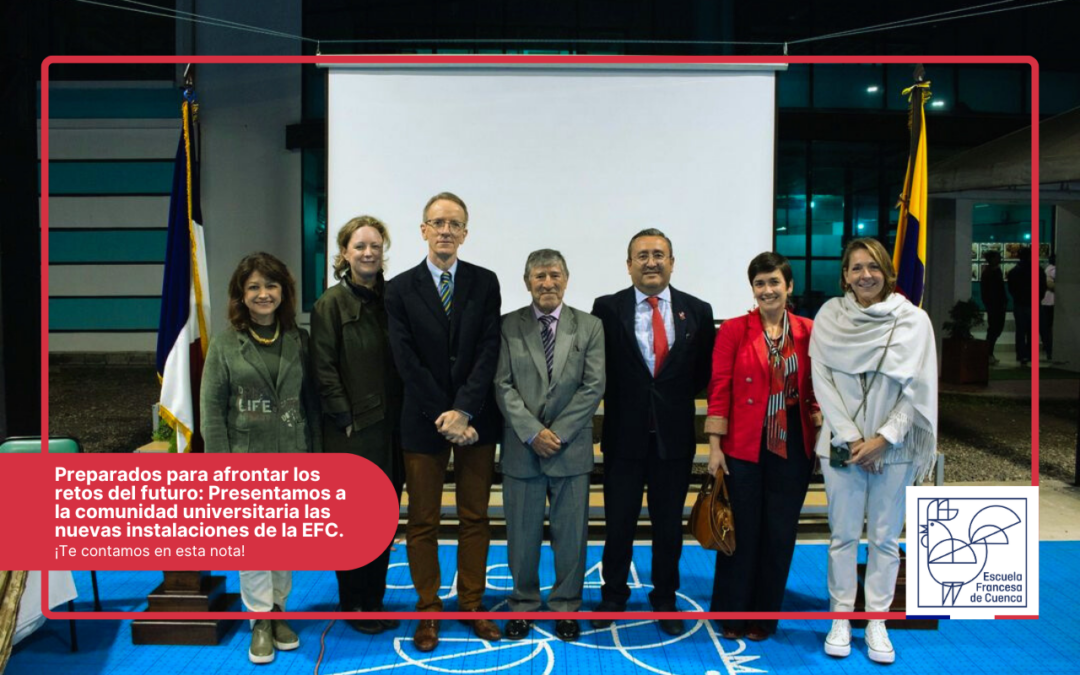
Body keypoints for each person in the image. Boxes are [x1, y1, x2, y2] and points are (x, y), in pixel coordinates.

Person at [809, 238, 937, 665]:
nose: (865, 275)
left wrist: (883, 439)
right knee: (842, 537)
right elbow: (821, 381)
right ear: (844, 274)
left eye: (873, 267)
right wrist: (850, 438)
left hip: (893, 450)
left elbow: (918, 390)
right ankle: (841, 618)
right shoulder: (830, 315)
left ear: (887, 271)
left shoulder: (914, 321)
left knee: (884, 540)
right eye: (856, 267)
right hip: (842, 449)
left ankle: (877, 620)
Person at [384, 192, 503, 651]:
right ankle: (429, 608)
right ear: (423, 230)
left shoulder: (485, 282)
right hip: (423, 420)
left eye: (454, 223)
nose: (446, 230)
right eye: (437, 222)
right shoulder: (399, 289)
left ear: (466, 232)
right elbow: (405, 359)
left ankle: (472, 604)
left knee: (475, 516)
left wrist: (465, 409)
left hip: (475, 421)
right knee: (423, 519)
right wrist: (444, 414)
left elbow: (488, 348)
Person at [590, 228, 715, 636]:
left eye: (659, 254)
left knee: (667, 526)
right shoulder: (606, 309)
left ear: (672, 262)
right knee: (618, 523)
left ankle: (665, 596)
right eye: (641, 255)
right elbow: (600, 370)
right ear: (628, 265)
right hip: (623, 438)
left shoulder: (697, 310)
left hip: (674, 439)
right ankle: (613, 595)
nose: (651, 261)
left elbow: (701, 375)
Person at [201, 252, 320, 665]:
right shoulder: (223, 344)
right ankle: (258, 620)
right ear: (241, 295)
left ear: (283, 292)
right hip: (243, 460)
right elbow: (212, 411)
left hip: (294, 455)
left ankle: (280, 611)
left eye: (271, 286)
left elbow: (310, 404)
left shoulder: (299, 340)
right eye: (254, 287)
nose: (263, 294)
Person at [704, 251, 820, 642]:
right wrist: (715, 447)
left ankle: (764, 616)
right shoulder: (734, 330)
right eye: (759, 283)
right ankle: (731, 613)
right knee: (742, 532)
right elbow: (719, 389)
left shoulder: (809, 330)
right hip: (743, 447)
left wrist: (822, 431)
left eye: (774, 282)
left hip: (794, 447)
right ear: (752, 289)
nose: (767, 290)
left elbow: (818, 390)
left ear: (789, 286)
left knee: (779, 533)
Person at [494, 249, 606, 643]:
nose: (547, 283)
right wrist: (531, 431)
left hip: (570, 449)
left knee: (571, 536)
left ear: (566, 279)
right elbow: (501, 385)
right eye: (539, 276)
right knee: (521, 537)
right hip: (522, 450)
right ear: (527, 282)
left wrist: (555, 433)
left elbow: (594, 386)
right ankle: (523, 603)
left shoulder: (590, 326)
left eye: (554, 275)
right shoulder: (507, 326)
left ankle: (566, 605)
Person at [311, 216, 404, 635]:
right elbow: (323, 367)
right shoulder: (330, 304)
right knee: (353, 521)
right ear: (344, 253)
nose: (368, 253)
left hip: (393, 429)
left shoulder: (395, 299)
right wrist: (343, 417)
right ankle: (354, 601)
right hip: (352, 432)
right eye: (359, 246)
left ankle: (375, 598)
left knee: (384, 518)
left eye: (375, 245)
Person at [1006, 247, 1034, 367]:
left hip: (1019, 303)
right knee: (1031, 331)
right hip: (1031, 303)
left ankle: (1021, 354)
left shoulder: (1014, 272)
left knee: (1021, 330)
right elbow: (1041, 285)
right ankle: (1029, 353)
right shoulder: (1036, 270)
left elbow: (1011, 288)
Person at [980, 250, 1006, 366]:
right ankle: (988, 353)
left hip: (996, 305)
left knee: (995, 329)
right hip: (995, 305)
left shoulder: (993, 272)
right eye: (997, 257)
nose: (999, 259)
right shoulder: (990, 273)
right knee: (994, 329)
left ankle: (989, 353)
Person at [1040, 253, 1055, 362]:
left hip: (1046, 302)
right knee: (1048, 327)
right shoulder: (1053, 270)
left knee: (1046, 327)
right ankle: (1049, 349)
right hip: (1051, 302)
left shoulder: (1046, 270)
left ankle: (1047, 347)